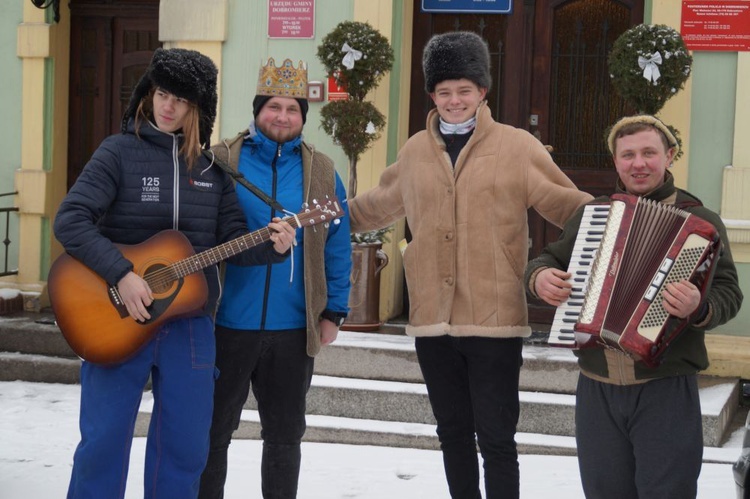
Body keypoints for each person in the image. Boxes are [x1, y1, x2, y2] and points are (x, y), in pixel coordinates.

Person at [347, 32, 592, 499]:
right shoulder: (416, 149)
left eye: (464, 90)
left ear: (483, 91)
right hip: (431, 320)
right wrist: (327, 218)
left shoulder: (518, 146)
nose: (454, 101)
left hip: (494, 322)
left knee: (497, 439)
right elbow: (377, 204)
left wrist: (617, 221)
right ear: (432, 96)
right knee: (451, 434)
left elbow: (568, 205)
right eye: (444, 92)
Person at [54, 48, 296, 499]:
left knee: (185, 448)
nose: (169, 107)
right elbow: (70, 221)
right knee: (103, 443)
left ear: (197, 109)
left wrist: (274, 248)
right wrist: (122, 274)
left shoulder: (213, 172)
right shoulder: (118, 152)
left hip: (190, 324)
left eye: (181, 100)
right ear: (149, 94)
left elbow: (234, 245)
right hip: (116, 316)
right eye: (163, 94)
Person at [525, 114, 743, 499]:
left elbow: (729, 293)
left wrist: (699, 305)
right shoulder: (593, 215)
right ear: (616, 161)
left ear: (669, 155)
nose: (638, 163)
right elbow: (548, 260)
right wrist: (540, 278)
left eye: (648, 153)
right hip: (598, 389)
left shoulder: (701, 221)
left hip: (665, 389)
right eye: (628, 155)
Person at [198, 57, 351, 499]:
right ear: (257, 110)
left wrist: (334, 311)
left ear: (303, 116)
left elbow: (337, 246)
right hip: (225, 323)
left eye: (292, 109)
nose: (282, 116)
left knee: (284, 437)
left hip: (291, 327)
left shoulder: (321, 171)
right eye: (273, 107)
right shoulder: (220, 160)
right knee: (212, 433)